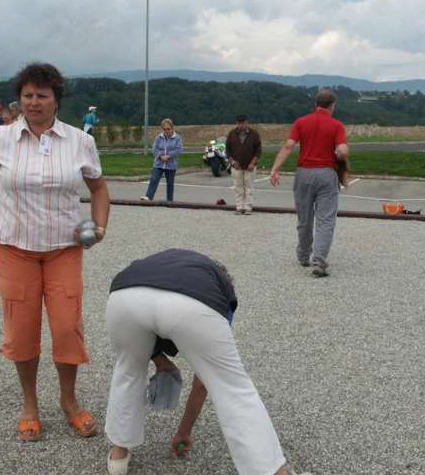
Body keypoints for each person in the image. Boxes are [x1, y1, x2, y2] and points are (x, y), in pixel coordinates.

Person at [0, 63, 111, 443]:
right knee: (22, 330)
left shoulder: (79, 141)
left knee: (66, 327)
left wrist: (98, 227)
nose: (34, 102)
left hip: (64, 248)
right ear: (19, 99)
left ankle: (69, 400)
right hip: (15, 247)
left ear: (57, 99)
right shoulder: (0, 138)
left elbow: (99, 189)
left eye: (42, 95)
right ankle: (29, 404)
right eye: (27, 95)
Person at [104, 249, 290, 475]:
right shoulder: (220, 291)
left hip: (124, 296)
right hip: (191, 303)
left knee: (128, 372)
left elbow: (147, 314)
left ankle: (118, 458)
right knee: (233, 389)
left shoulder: (166, 262)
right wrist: (184, 431)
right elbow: (204, 382)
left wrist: (160, 361)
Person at [269, 89, 348, 277]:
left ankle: (303, 256)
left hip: (304, 173)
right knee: (326, 219)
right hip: (327, 174)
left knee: (304, 218)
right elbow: (343, 151)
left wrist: (275, 169)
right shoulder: (337, 125)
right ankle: (319, 261)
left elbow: (288, 146)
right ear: (333, 106)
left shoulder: (301, 122)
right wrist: (340, 156)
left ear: (315, 105)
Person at [225, 115, 262, 215]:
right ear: (236, 123)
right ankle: (239, 207)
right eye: (239, 123)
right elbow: (227, 150)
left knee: (249, 187)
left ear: (247, 122)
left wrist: (253, 163)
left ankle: (248, 208)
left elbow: (258, 150)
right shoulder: (231, 134)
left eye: (243, 123)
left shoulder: (254, 134)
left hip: (250, 166)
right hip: (236, 166)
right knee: (238, 187)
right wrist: (232, 162)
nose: (241, 125)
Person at [140, 118, 183, 202]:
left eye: (168, 129)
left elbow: (179, 149)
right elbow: (155, 149)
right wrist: (160, 156)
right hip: (159, 164)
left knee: (170, 183)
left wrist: (169, 156)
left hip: (171, 165)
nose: (166, 131)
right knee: (154, 179)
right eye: (164, 129)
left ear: (172, 128)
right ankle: (148, 196)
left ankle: (169, 200)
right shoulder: (159, 137)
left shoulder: (177, 138)